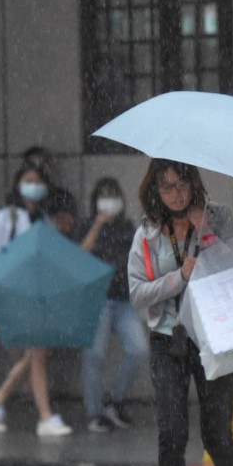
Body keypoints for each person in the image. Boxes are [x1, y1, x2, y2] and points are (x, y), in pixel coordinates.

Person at [127, 159, 233, 466]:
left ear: (194, 183)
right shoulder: (147, 234)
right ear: (155, 192)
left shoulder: (218, 217)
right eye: (167, 187)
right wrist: (178, 278)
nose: (177, 193)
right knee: (171, 431)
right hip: (168, 340)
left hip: (213, 336)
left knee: (216, 434)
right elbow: (136, 293)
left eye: (182, 184)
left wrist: (208, 237)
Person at [0, 164, 74, 437]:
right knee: (38, 353)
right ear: (18, 184)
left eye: (37, 181)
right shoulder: (7, 217)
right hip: (14, 295)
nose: (33, 185)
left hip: (37, 296)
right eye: (27, 180)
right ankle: (43, 416)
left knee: (38, 353)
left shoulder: (43, 220)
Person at [79, 177, 149, 432]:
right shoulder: (87, 225)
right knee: (94, 355)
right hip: (96, 300)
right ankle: (94, 413)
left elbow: (138, 257)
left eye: (113, 195)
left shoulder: (127, 227)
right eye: (104, 195)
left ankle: (115, 401)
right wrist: (97, 224)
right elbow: (80, 254)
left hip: (122, 299)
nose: (109, 201)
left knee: (139, 349)